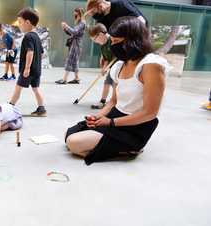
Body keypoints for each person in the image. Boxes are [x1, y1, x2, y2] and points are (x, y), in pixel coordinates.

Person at [65, 16, 170, 165]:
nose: (112, 46)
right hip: (115, 116)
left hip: (136, 126)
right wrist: (97, 117)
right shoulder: (120, 65)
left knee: (74, 143)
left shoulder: (151, 65)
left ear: (132, 40)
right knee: (69, 133)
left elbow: (149, 113)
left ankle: (130, 149)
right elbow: (113, 101)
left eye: (116, 42)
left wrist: (111, 122)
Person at [9, 8, 46, 117]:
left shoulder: (28, 36)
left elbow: (30, 52)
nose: (19, 25)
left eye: (20, 22)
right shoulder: (37, 37)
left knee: (18, 88)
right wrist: (35, 64)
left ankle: (10, 106)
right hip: (37, 70)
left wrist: (27, 68)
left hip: (28, 70)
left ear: (27, 22)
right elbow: (41, 53)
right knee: (36, 89)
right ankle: (41, 109)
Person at [88, 23, 116, 109]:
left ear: (100, 34)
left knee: (116, 84)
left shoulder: (113, 40)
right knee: (107, 83)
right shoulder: (103, 46)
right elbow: (106, 58)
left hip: (120, 67)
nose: (96, 42)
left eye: (95, 40)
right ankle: (102, 101)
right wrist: (104, 68)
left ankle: (115, 102)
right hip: (112, 67)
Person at [55, 8, 86, 85]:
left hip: (76, 44)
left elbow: (74, 32)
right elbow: (72, 33)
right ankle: (77, 78)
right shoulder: (79, 23)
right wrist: (65, 29)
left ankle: (64, 79)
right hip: (75, 43)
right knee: (75, 61)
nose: (75, 15)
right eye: (74, 14)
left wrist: (66, 26)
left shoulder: (82, 23)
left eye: (76, 14)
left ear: (80, 14)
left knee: (70, 60)